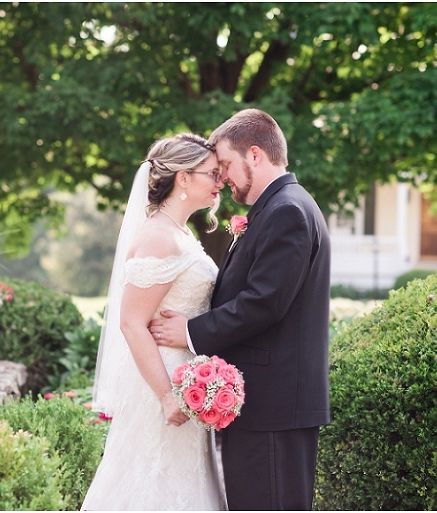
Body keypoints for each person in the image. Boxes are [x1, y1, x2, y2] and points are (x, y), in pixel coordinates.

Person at [149, 109, 331, 510]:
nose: (222, 177)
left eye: (226, 165)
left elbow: (264, 302)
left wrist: (192, 331)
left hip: (274, 408)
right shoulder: (277, 208)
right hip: (267, 406)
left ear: (254, 155)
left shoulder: (286, 211)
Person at [82, 133, 227, 511]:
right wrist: (166, 395)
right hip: (163, 381)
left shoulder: (180, 232)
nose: (220, 181)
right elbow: (131, 323)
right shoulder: (158, 237)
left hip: (187, 376)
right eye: (212, 173)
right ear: (183, 177)